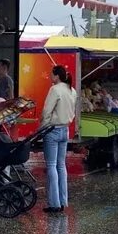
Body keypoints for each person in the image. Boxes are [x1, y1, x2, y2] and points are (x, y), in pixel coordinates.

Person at [41, 64, 75, 213]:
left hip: (53, 131)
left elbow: (46, 111)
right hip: (65, 130)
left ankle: (53, 203)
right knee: (61, 166)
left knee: (51, 166)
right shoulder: (71, 90)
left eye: (51, 74)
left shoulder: (54, 90)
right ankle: (62, 201)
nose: (50, 77)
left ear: (57, 76)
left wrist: (43, 126)